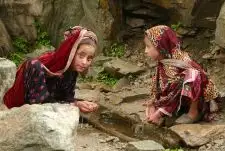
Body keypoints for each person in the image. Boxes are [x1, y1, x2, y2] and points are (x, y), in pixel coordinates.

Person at [3, 26, 98, 113]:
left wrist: (79, 103)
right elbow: (40, 104)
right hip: (20, 111)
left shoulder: (71, 72)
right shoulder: (37, 67)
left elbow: (66, 99)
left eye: (89, 59)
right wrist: (74, 104)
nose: (85, 62)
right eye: (81, 56)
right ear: (71, 52)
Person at [143, 25, 219, 125]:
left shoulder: (181, 62)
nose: (145, 51)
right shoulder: (164, 62)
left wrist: (159, 113)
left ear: (161, 46)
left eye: (148, 46)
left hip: (199, 99)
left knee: (192, 75)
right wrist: (153, 103)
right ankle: (174, 110)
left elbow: (176, 90)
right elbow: (162, 87)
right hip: (182, 99)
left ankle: (193, 112)